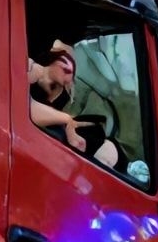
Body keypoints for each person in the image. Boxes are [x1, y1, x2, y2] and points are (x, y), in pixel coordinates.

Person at [29, 38, 122, 170]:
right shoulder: (30, 64)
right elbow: (28, 108)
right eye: (66, 60)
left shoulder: (51, 115)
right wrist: (67, 121)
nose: (70, 67)